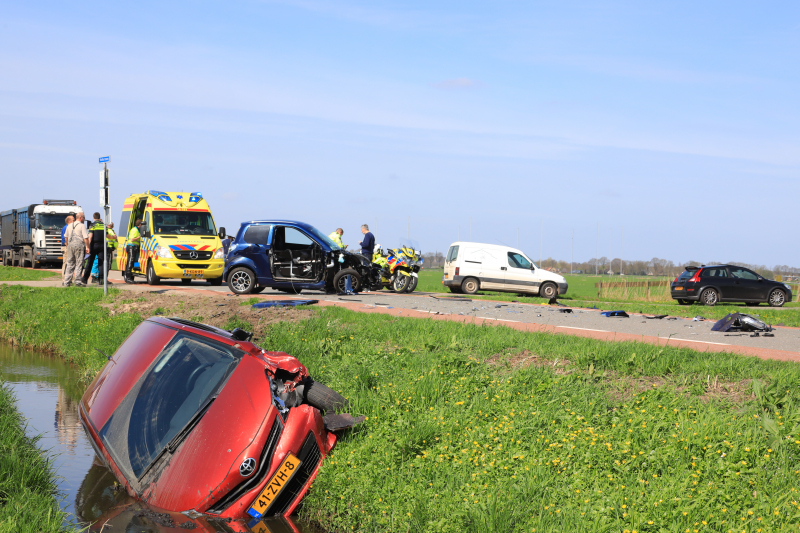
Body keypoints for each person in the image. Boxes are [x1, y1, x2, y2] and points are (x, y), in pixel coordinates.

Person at [63, 212, 89, 287]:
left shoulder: (69, 225)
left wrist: (67, 245)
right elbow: (85, 238)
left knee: (70, 264)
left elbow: (66, 237)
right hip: (79, 245)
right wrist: (87, 247)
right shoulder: (82, 225)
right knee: (79, 263)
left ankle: (66, 282)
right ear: (80, 218)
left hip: (70, 245)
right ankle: (77, 281)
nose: (84, 219)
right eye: (84, 217)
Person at [81, 213, 106, 286]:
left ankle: (85, 279)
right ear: (99, 217)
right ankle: (101, 279)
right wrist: (113, 237)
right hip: (102, 246)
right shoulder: (103, 225)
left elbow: (90, 236)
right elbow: (107, 235)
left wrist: (87, 246)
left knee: (90, 262)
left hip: (94, 245)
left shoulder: (92, 225)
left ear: (93, 217)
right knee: (101, 263)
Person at [125, 219, 142, 283]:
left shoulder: (136, 229)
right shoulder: (134, 230)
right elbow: (132, 239)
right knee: (130, 262)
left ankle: (128, 277)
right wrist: (139, 237)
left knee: (131, 262)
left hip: (133, 247)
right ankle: (128, 278)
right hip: (131, 247)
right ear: (139, 225)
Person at [61, 215, 73, 280]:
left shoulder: (70, 227)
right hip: (66, 247)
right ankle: (64, 279)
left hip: (69, 246)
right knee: (65, 263)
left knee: (70, 263)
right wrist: (67, 246)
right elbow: (64, 239)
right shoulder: (66, 228)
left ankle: (69, 279)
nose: (74, 221)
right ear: (69, 221)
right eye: (73, 220)